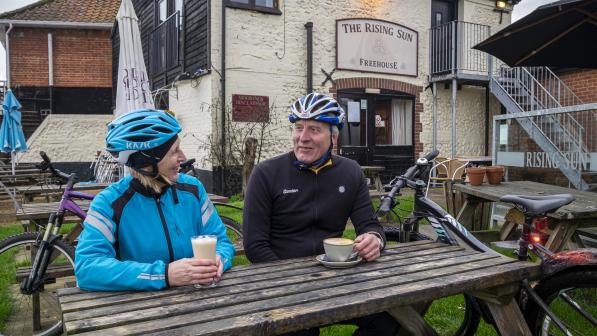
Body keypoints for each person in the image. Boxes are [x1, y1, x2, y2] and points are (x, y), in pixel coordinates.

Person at [242, 93, 398, 335]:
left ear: (333, 136)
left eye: (314, 129)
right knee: (300, 329)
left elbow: (370, 225)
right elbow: (254, 246)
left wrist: (374, 240)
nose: (302, 138)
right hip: (280, 282)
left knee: (391, 317)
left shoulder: (350, 172)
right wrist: (294, 283)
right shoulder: (266, 173)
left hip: (337, 278)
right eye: (298, 128)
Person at [75, 109, 235, 291]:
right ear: (148, 161)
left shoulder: (193, 189)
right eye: (175, 151)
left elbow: (222, 241)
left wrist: (220, 258)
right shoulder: (109, 203)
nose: (182, 158)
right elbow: (86, 269)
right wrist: (165, 274)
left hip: (199, 302)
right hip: (139, 313)